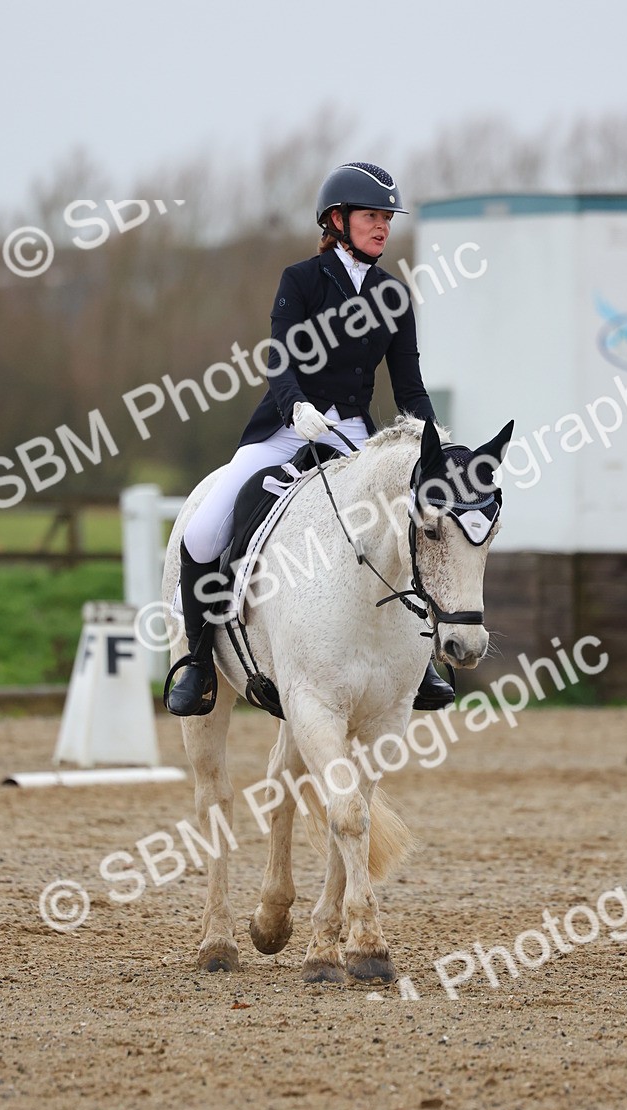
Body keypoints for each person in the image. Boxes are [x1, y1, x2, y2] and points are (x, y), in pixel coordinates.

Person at [168, 161, 455, 716]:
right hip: (286, 425)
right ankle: (200, 661)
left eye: (387, 219)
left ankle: (421, 663)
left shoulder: (393, 296)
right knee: (204, 531)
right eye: (372, 216)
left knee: (410, 525)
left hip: (351, 434)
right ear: (337, 219)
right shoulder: (300, 280)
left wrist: (430, 433)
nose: (383, 227)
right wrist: (294, 405)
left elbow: (409, 386)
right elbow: (280, 360)